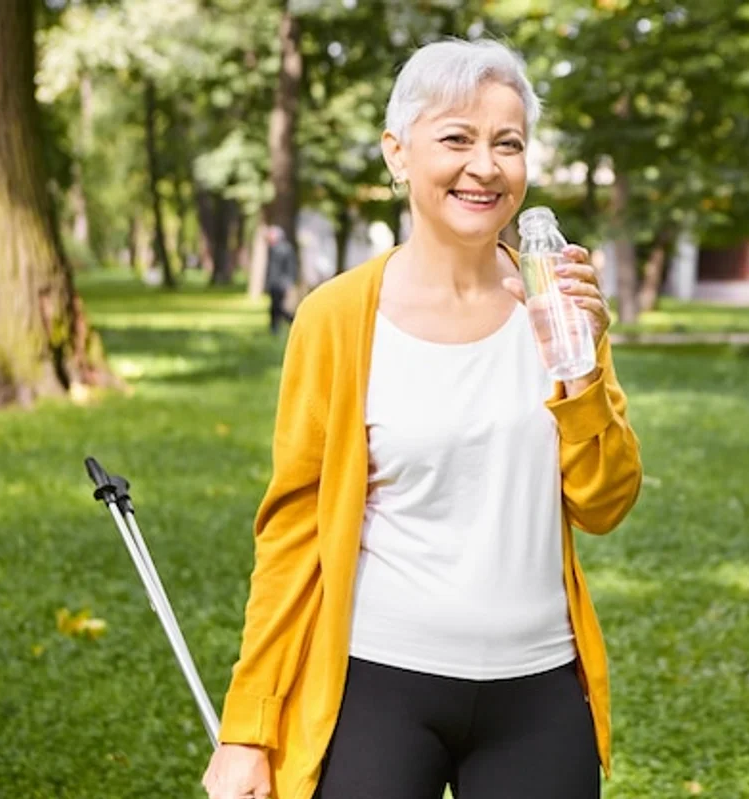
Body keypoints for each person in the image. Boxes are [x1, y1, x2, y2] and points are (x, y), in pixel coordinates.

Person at [201, 38, 643, 799]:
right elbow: (292, 532)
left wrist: (582, 370)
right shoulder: (336, 318)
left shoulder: (560, 308)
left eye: (509, 143)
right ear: (398, 153)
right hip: (379, 683)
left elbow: (605, 502)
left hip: (537, 686)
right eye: (456, 139)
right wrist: (249, 729)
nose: (486, 166)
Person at [264, 225, 297, 334]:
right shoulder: (273, 249)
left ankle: (293, 322)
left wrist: (288, 283)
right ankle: (274, 328)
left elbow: (290, 268)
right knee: (275, 307)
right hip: (275, 283)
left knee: (278, 308)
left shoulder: (285, 249)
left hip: (280, 284)